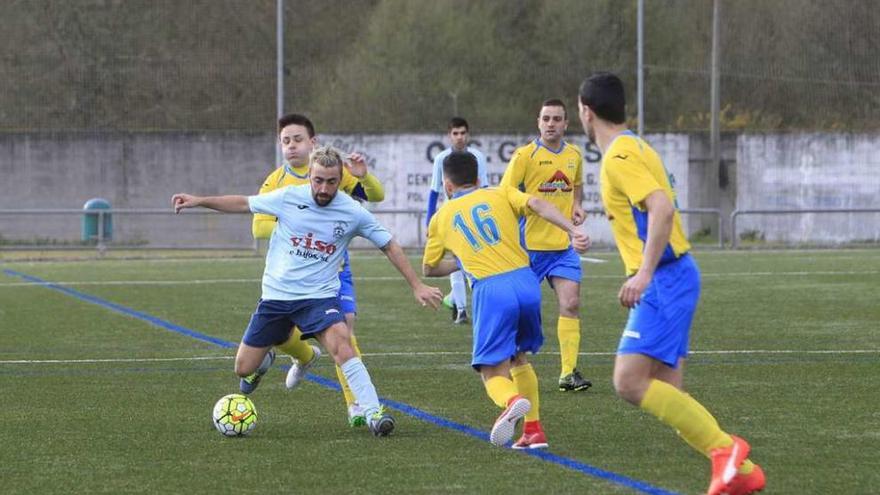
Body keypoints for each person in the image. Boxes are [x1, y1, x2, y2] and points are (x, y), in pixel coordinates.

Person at [577, 72, 765, 495]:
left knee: (628, 381)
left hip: (663, 277)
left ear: (586, 112)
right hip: (676, 275)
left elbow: (660, 209)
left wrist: (643, 273)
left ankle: (725, 451)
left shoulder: (619, 157)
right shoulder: (638, 146)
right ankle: (745, 472)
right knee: (668, 393)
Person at [173, 145, 443, 437]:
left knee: (343, 344)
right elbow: (242, 203)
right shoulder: (289, 198)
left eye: (331, 181)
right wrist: (198, 200)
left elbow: (389, 244)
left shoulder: (352, 211)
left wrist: (417, 285)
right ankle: (274, 357)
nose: (323, 188)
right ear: (309, 177)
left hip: (319, 297)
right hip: (276, 298)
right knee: (242, 368)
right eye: (318, 180)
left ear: (340, 179)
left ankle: (374, 412)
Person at [423, 151, 590, 449]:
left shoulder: (440, 219)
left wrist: (463, 262)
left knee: (491, 372)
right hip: (526, 282)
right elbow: (538, 203)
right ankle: (533, 431)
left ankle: (511, 400)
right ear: (477, 179)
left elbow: (429, 268)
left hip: (491, 289)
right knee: (518, 358)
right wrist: (572, 229)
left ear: (447, 186)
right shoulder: (500, 192)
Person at [252, 113, 386, 428]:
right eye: (285, 141)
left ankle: (356, 404)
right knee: (283, 337)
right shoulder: (276, 181)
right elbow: (258, 227)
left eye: (297, 139)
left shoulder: (334, 172)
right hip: (291, 277)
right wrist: (302, 229)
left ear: (313, 143)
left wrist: (364, 177)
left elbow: (377, 197)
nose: (291, 146)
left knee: (345, 334)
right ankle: (304, 356)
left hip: (334, 272)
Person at [499, 99, 592, 392]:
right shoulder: (525, 156)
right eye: (546, 119)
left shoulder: (574, 155)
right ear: (538, 122)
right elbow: (506, 192)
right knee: (523, 310)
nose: (551, 124)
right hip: (528, 248)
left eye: (557, 119)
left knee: (572, 303)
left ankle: (568, 373)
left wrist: (576, 204)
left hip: (562, 248)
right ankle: (509, 365)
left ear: (566, 124)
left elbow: (575, 184)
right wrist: (527, 206)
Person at [426, 117, 489, 325]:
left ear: (468, 135)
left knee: (471, 258)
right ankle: (461, 309)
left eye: (463, 133)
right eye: (455, 133)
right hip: (451, 217)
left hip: (474, 216)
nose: (459, 137)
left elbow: (485, 189)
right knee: (456, 256)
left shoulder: (477, 157)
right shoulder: (441, 159)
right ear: (449, 135)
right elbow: (434, 191)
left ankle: (460, 301)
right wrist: (429, 220)